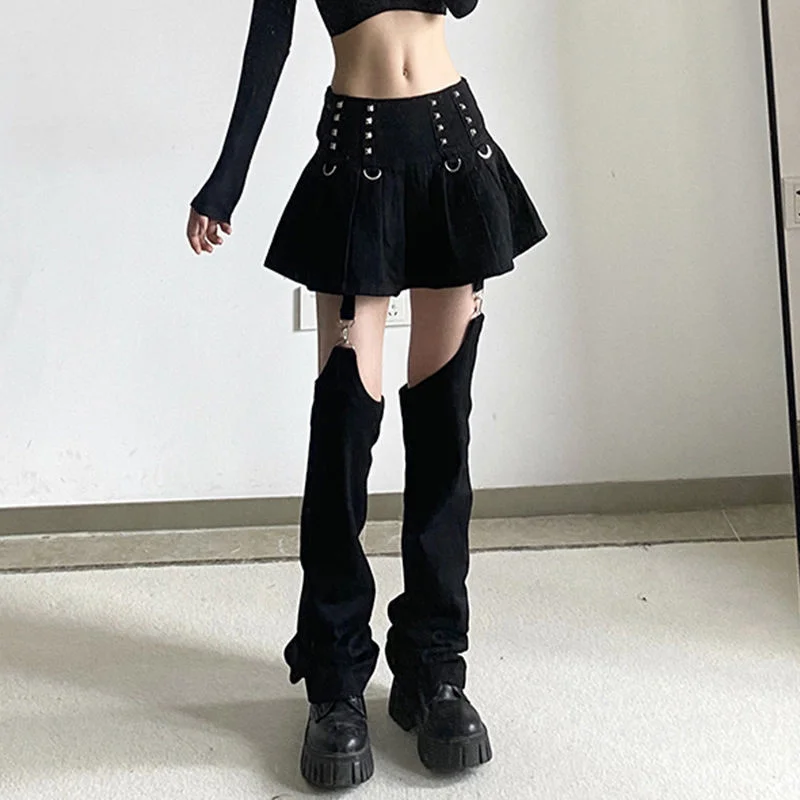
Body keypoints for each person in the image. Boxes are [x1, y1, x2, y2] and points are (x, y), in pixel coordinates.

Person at [186, 0, 547, 789]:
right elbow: (270, 44)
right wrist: (225, 182)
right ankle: (336, 679)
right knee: (343, 432)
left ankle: (433, 669)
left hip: (454, 147)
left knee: (444, 430)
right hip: (360, 157)